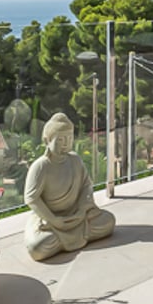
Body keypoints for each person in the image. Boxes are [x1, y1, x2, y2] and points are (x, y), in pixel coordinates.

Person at [23, 112, 115, 261]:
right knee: (37, 247)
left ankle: (65, 240)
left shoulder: (75, 160)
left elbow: (86, 186)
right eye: (60, 139)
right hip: (51, 219)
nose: (66, 143)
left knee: (108, 221)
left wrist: (82, 209)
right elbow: (32, 199)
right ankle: (60, 238)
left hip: (77, 214)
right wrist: (53, 220)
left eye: (69, 138)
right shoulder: (41, 166)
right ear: (47, 140)